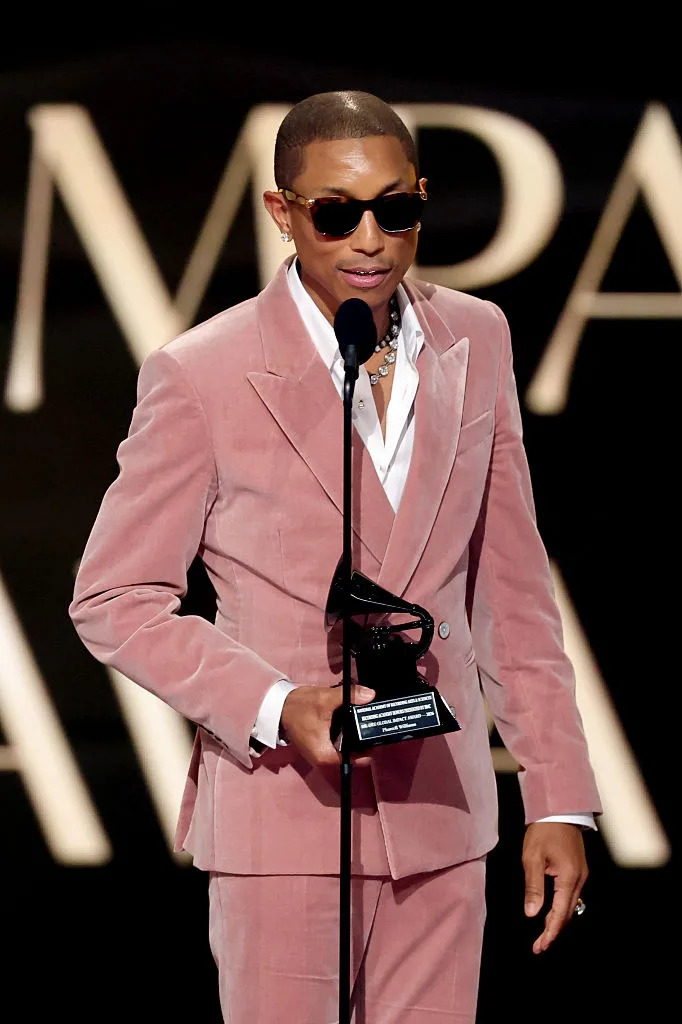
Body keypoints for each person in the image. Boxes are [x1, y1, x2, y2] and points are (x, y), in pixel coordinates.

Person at [69, 90, 601, 1023]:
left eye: (397, 209)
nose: (370, 238)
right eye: (337, 212)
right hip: (284, 812)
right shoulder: (204, 371)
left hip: (442, 806)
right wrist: (277, 704)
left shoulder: (478, 338)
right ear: (284, 213)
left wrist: (558, 797)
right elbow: (115, 596)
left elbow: (510, 590)